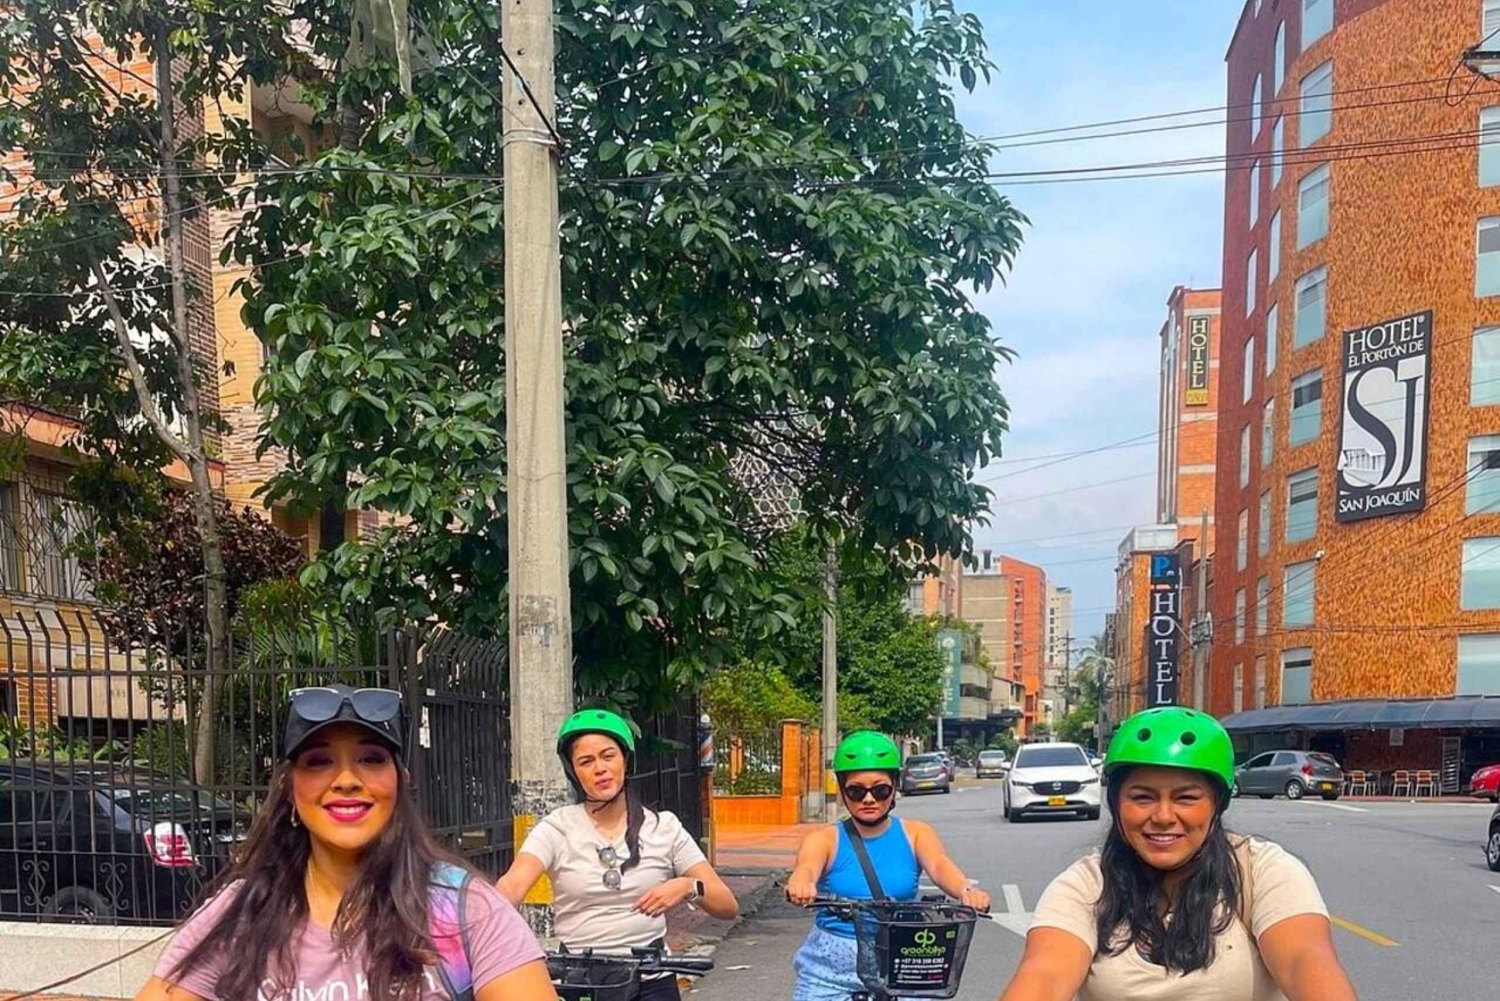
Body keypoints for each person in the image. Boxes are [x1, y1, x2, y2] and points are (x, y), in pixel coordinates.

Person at [136, 684, 556, 1001]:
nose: (347, 780)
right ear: (289, 790)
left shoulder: (466, 911)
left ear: (400, 781)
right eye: (319, 762)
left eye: (371, 759)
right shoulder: (243, 912)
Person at [999, 706, 1358, 1001]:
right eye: (1143, 797)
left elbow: (1304, 961)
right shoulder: (1087, 885)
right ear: (1116, 803)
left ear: (1217, 805)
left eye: (1186, 798)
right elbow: (1045, 975)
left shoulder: (1261, 870)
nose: (1163, 817)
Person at [497, 709, 738, 1001]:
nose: (599, 768)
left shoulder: (663, 828)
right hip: (582, 980)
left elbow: (727, 907)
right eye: (586, 761)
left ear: (626, 760)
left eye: (608, 756)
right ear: (573, 772)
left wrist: (689, 887)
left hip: (652, 979)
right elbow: (511, 886)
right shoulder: (556, 828)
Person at [784, 731, 991, 1001]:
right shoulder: (823, 839)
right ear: (843, 790)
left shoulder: (916, 833)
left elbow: (940, 865)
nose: (869, 799)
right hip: (829, 971)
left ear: (895, 786)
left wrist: (965, 890)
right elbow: (807, 868)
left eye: (880, 790)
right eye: (856, 791)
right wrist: (801, 883)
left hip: (901, 965)